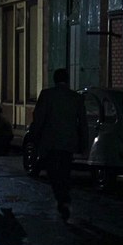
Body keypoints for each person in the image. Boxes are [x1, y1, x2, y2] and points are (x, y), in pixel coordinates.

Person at [28, 68, 88, 222]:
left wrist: (34, 134)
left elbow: (39, 117)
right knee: (65, 171)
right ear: (67, 80)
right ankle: (64, 196)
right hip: (68, 142)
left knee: (53, 172)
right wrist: (84, 142)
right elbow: (83, 122)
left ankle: (61, 197)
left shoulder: (47, 95)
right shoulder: (76, 97)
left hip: (51, 141)